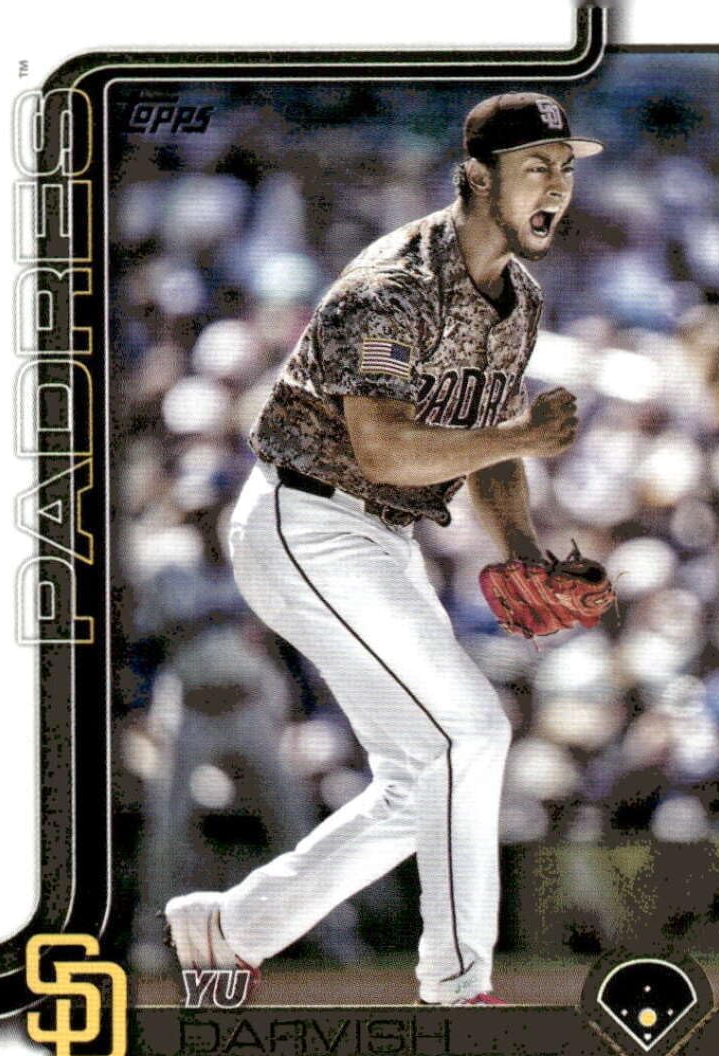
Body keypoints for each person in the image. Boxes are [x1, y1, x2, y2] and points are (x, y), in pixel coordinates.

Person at [165, 92, 603, 1006]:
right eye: (537, 167)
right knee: (471, 732)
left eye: (565, 168)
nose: (558, 186)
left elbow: (482, 445)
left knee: (421, 778)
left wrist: (522, 546)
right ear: (476, 177)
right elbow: (383, 448)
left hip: (379, 535)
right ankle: (458, 984)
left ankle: (231, 928)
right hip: (306, 521)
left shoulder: (518, 299)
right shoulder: (391, 286)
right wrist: (523, 435)